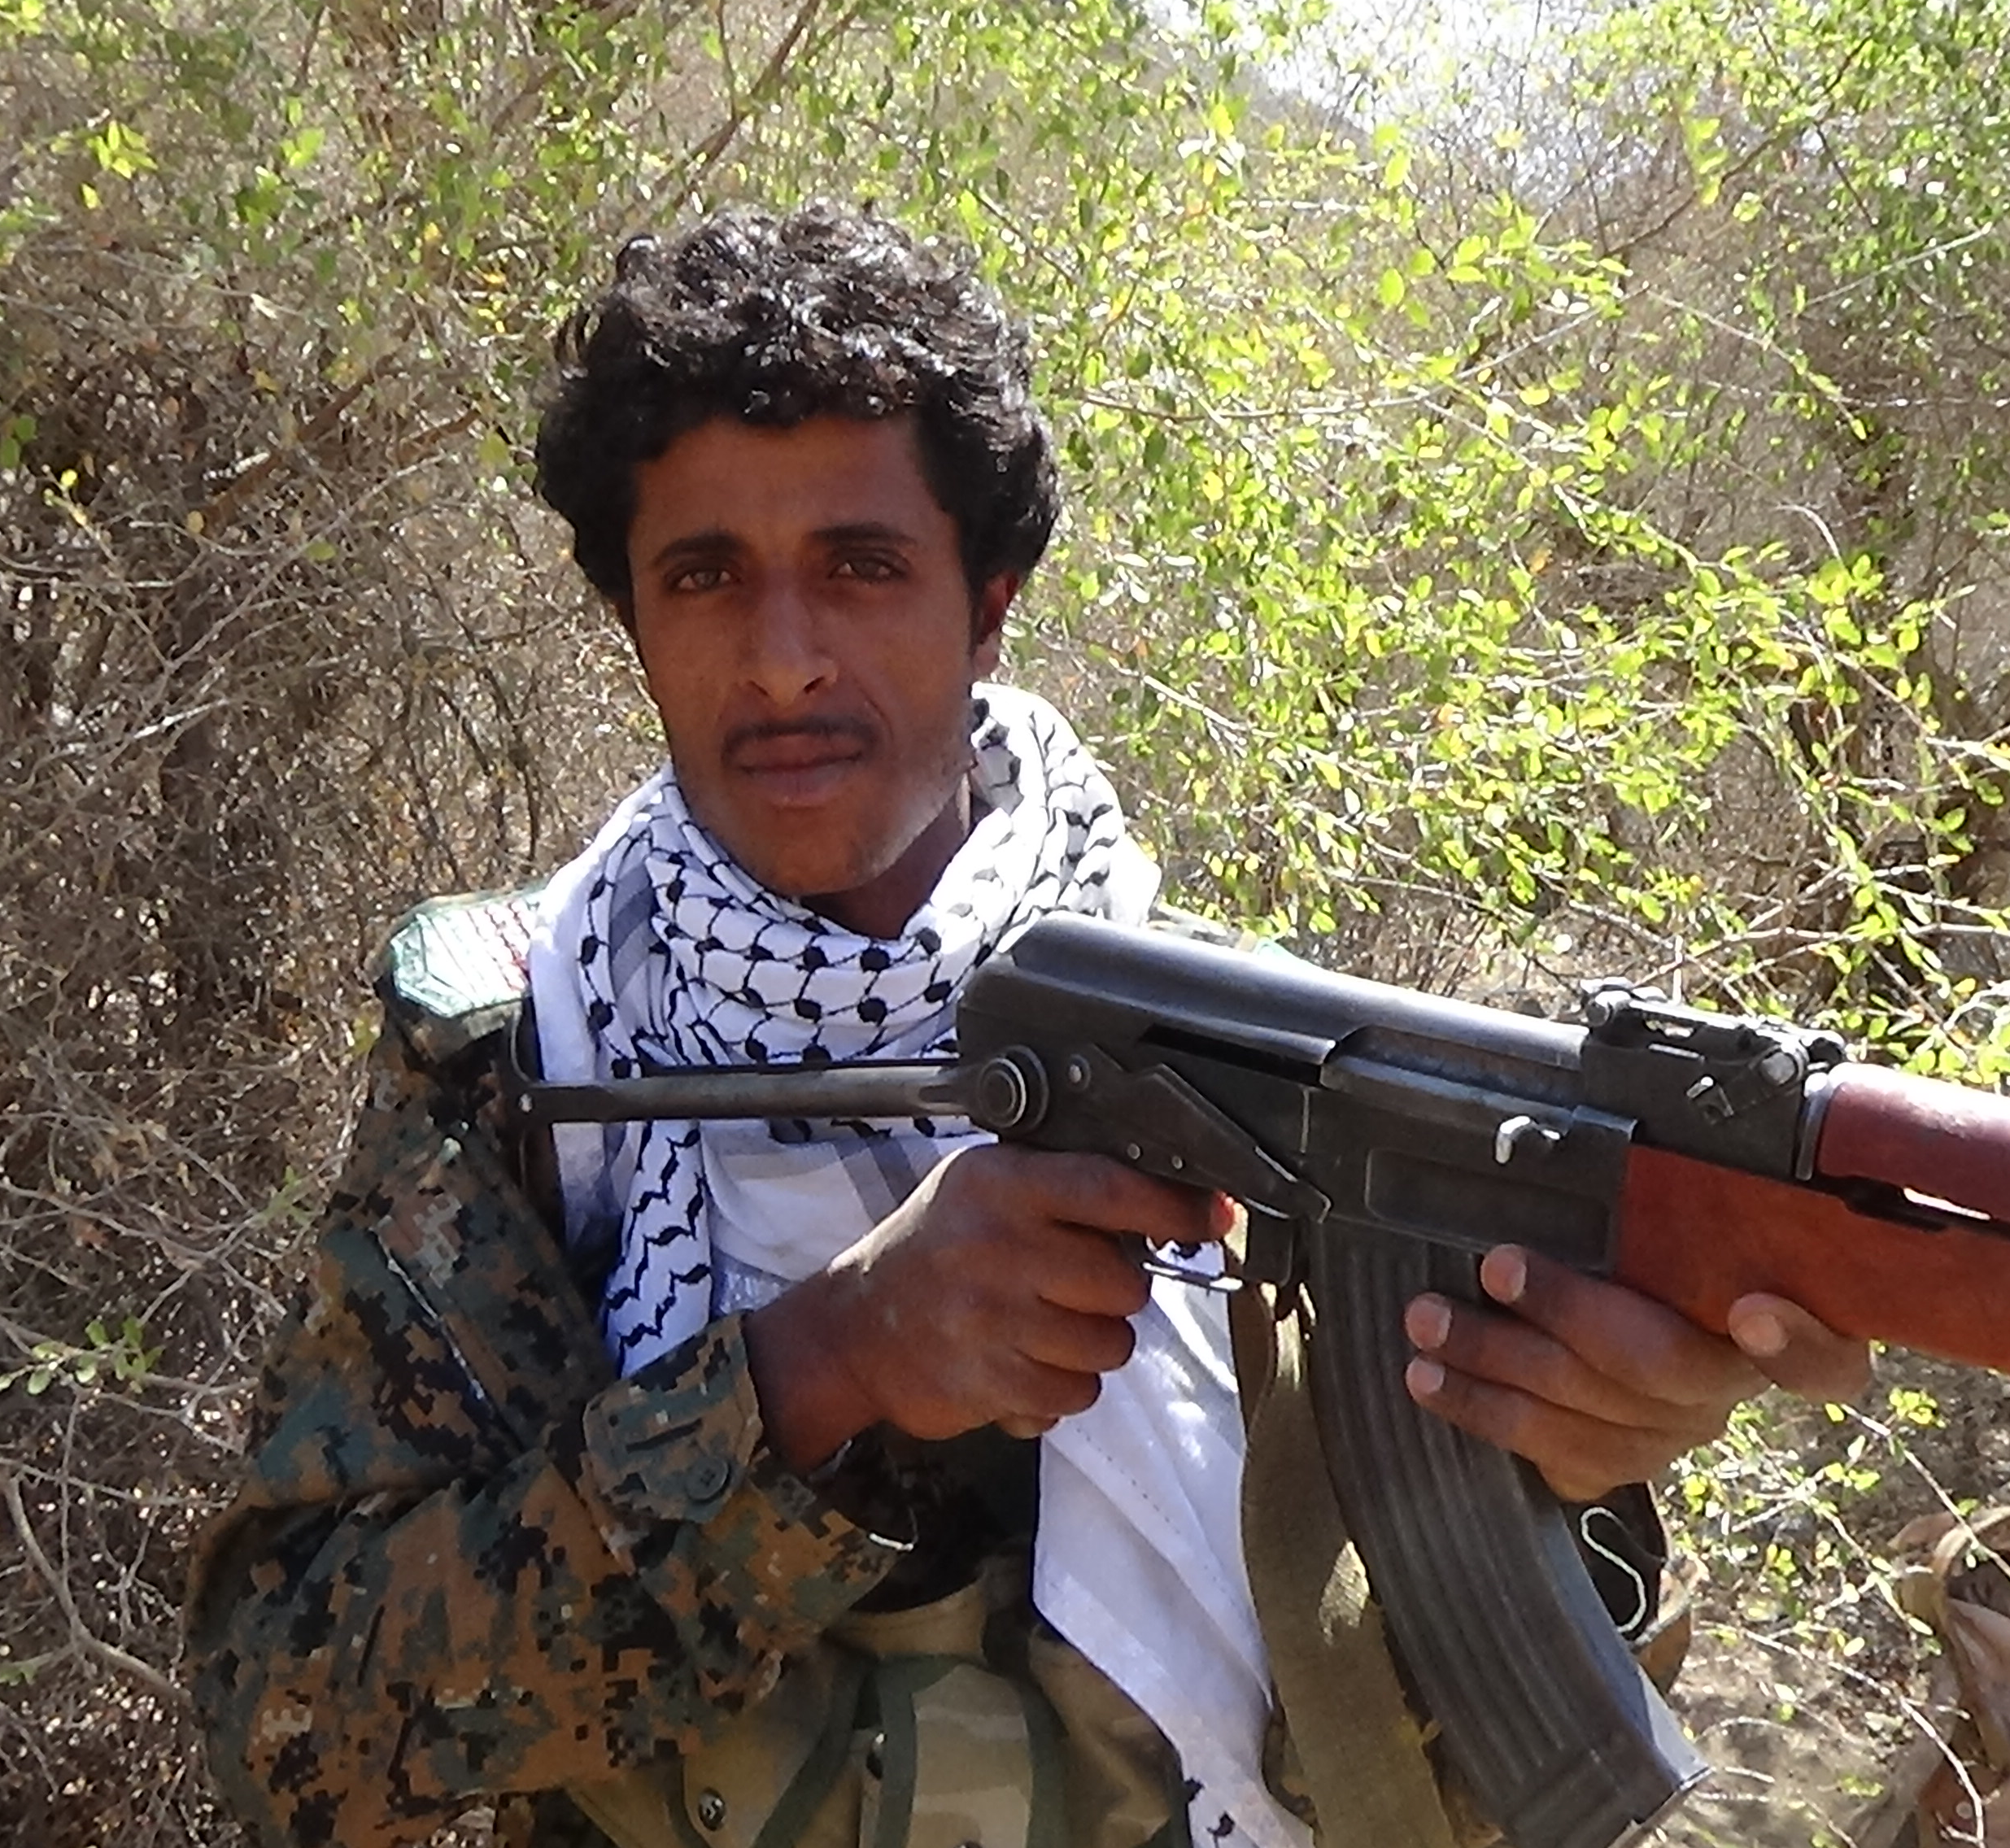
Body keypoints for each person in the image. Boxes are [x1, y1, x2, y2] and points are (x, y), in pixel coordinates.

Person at [185, 201, 1870, 1848]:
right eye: (705, 576)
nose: (783, 659)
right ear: (634, 621)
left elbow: (1431, 1706)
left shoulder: (1235, 1042)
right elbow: (287, 1719)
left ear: (987, 601)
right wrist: (819, 1369)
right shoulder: (536, 1057)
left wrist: (1572, 1461)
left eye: (862, 567)